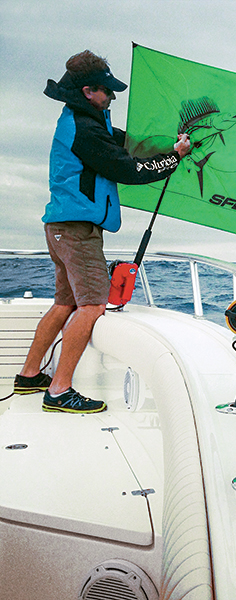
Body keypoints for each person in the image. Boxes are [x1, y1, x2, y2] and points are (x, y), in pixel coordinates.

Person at [13, 50, 191, 414]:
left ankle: (30, 375)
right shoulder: (85, 129)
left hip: (61, 227)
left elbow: (128, 143)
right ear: (88, 91)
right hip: (77, 231)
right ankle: (59, 390)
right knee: (92, 305)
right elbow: (128, 169)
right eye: (107, 91)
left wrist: (172, 145)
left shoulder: (85, 120)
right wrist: (174, 158)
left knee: (65, 303)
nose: (112, 97)